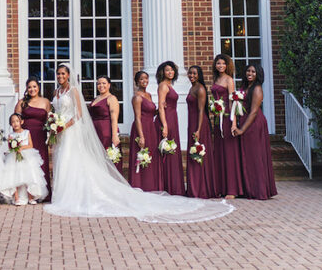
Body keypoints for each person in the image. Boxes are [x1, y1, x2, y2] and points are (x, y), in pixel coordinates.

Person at [44, 64, 233, 223]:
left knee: (72, 160)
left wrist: (63, 126)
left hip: (70, 131)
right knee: (64, 161)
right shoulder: (57, 92)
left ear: (68, 75)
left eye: (63, 73)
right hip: (61, 133)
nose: (60, 76)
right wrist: (54, 125)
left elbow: (78, 114)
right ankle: (63, 195)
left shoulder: (74, 91)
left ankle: (74, 195)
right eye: (58, 74)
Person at [233, 64, 278, 200]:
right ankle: (249, 189)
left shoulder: (257, 89)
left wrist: (242, 129)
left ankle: (259, 191)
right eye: (248, 71)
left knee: (255, 157)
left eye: (253, 71)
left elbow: (253, 112)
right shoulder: (245, 87)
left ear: (258, 74)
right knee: (247, 156)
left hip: (254, 124)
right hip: (245, 121)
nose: (250, 73)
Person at [211, 54, 243, 199]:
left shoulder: (229, 80)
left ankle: (232, 189)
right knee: (219, 152)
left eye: (223, 63)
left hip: (227, 117)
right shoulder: (216, 79)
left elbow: (233, 101)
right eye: (218, 63)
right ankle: (221, 187)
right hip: (218, 119)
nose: (221, 66)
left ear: (227, 65)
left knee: (229, 153)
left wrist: (234, 121)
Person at [0, 113, 48, 206]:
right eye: (13, 122)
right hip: (14, 158)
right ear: (10, 124)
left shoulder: (26, 132)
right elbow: (10, 148)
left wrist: (21, 147)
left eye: (17, 121)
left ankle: (30, 197)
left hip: (26, 156)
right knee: (14, 176)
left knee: (29, 176)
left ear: (21, 122)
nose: (15, 123)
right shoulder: (11, 135)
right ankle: (16, 198)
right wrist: (14, 147)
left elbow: (31, 145)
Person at [16, 77, 52, 202]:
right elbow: (15, 121)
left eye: (34, 86)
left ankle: (41, 193)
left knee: (41, 163)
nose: (32, 89)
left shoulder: (45, 102)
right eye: (29, 87)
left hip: (40, 135)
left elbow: (50, 120)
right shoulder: (22, 102)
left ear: (39, 87)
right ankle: (27, 194)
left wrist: (51, 135)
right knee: (28, 164)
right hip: (26, 136)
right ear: (27, 89)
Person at [155, 61, 185, 195]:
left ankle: (174, 186)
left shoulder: (169, 85)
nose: (170, 72)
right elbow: (161, 106)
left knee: (172, 150)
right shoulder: (163, 85)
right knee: (168, 151)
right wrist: (165, 125)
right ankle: (168, 185)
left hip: (173, 117)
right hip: (166, 119)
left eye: (172, 70)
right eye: (167, 70)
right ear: (162, 72)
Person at [185, 65, 215, 199]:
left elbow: (202, 111)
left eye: (194, 73)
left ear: (199, 75)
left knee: (198, 155)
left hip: (199, 124)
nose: (191, 75)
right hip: (192, 123)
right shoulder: (192, 87)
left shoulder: (200, 89)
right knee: (194, 156)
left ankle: (201, 189)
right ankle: (194, 187)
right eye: (190, 73)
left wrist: (198, 129)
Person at [128, 70, 160, 192]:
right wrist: (141, 136)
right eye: (141, 79)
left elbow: (151, 112)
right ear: (137, 82)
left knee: (150, 157)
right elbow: (137, 117)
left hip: (151, 128)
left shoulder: (149, 95)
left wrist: (161, 109)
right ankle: (140, 185)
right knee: (141, 156)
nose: (144, 81)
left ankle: (151, 185)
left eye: (146, 78)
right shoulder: (137, 97)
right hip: (141, 128)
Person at [90, 75, 121, 170]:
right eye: (99, 83)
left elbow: (114, 118)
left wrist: (114, 135)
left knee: (106, 157)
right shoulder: (96, 98)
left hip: (106, 132)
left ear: (109, 85)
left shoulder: (112, 98)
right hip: (95, 131)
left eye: (104, 83)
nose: (101, 85)